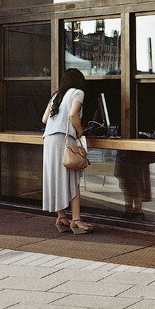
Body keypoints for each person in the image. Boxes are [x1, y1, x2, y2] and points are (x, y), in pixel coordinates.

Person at [41, 69, 92, 234]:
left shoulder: (56, 95)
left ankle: (62, 217)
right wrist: (80, 131)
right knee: (72, 178)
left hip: (48, 139)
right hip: (64, 139)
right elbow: (73, 114)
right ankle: (76, 220)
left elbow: (44, 119)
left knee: (55, 178)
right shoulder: (78, 92)